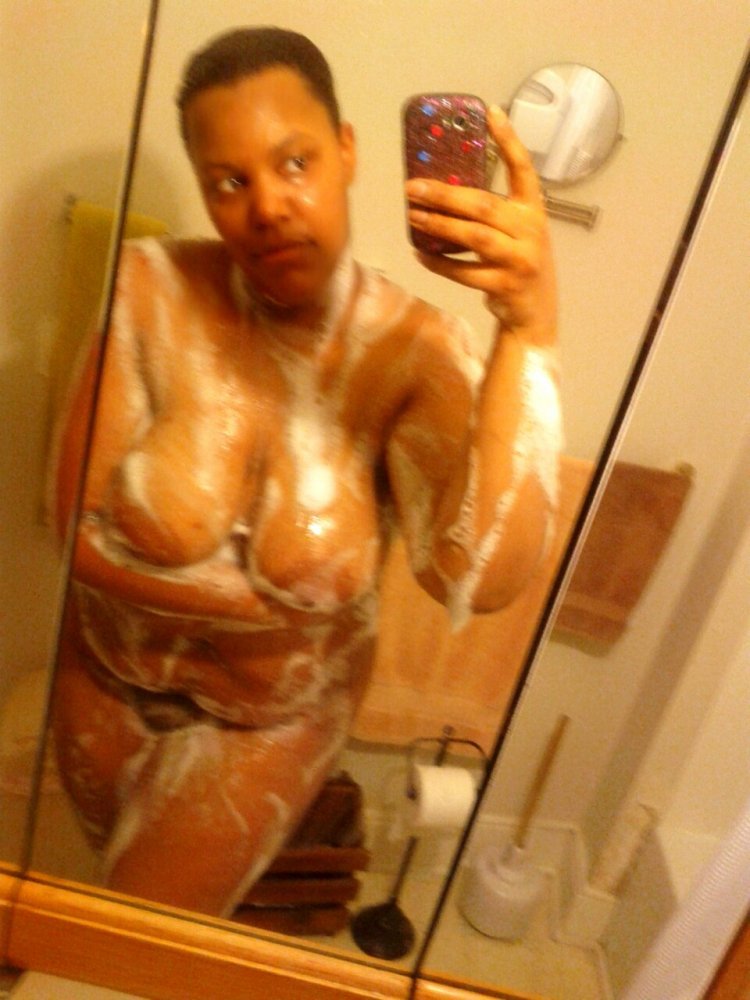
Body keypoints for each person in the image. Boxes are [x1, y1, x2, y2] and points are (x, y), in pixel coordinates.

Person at [50, 27, 561, 919]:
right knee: (103, 907)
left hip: (268, 725)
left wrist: (529, 329)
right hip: (101, 681)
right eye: (229, 181)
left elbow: (478, 578)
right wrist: (279, 612)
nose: (268, 207)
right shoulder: (148, 287)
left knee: (123, 943)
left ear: (348, 152)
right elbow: (74, 528)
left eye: (295, 163)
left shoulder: (413, 351)